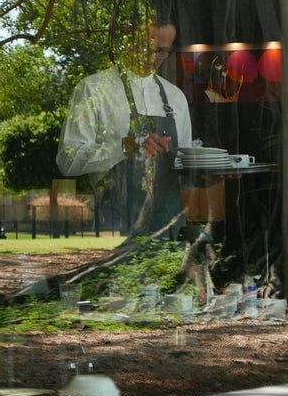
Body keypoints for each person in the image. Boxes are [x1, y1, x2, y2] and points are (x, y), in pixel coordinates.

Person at [56, 19, 192, 239]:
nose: (151, 58)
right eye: (146, 48)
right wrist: (127, 146)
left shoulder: (175, 98)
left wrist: (206, 175)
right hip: (115, 229)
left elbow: (185, 168)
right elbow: (68, 159)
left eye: (161, 52)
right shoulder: (94, 89)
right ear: (129, 38)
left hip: (169, 226)